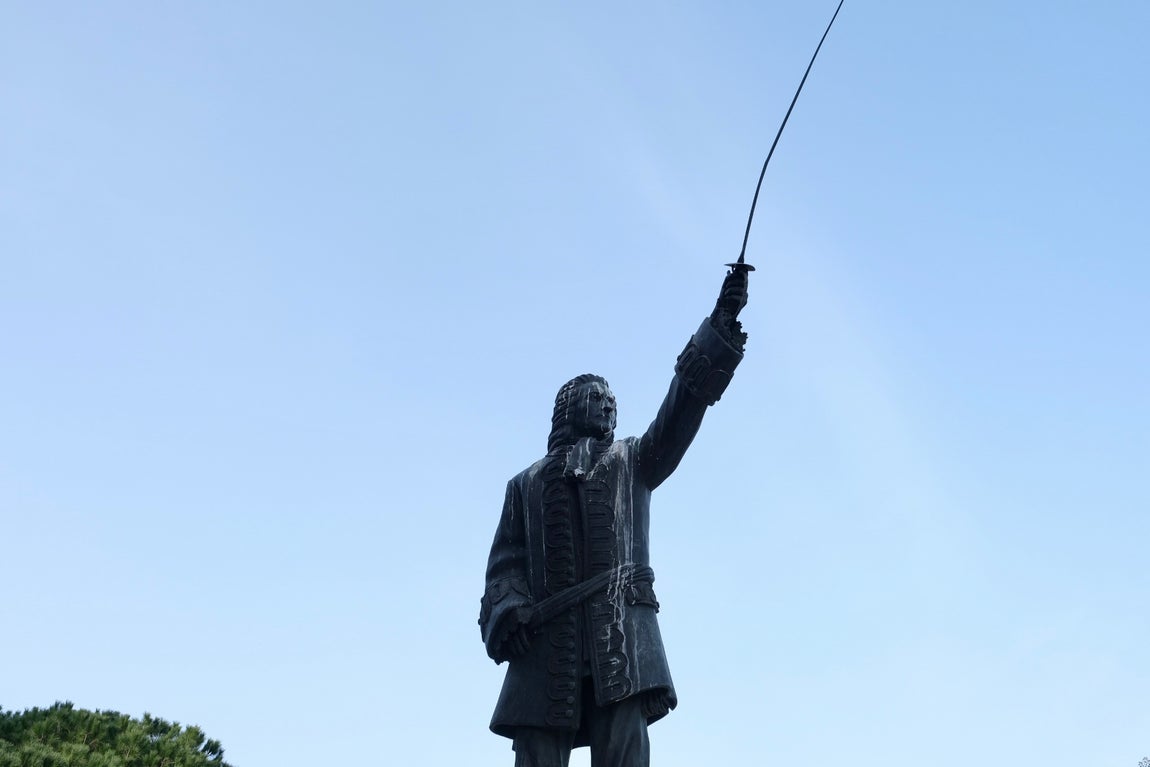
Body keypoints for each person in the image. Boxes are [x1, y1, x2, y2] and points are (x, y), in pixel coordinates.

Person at [479, 268, 749, 767]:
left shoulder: (634, 460)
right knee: (537, 752)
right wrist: (509, 604)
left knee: (625, 752)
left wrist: (721, 323)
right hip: (546, 646)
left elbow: (683, 404)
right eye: (595, 397)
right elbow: (504, 565)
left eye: (611, 401)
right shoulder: (525, 484)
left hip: (621, 640)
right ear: (567, 408)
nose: (607, 405)